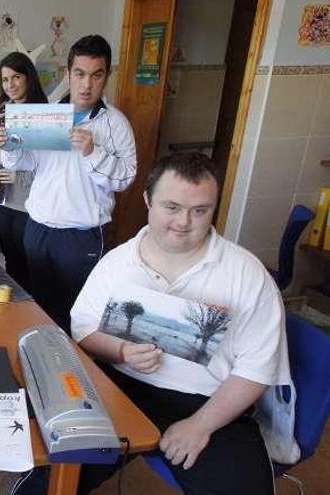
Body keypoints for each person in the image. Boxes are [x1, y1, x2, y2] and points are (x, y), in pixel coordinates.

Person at [68, 152, 290, 494]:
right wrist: (122, 350)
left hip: (210, 402)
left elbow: (257, 368)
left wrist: (200, 426)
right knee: (51, 475)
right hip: (122, 388)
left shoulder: (247, 274)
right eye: (171, 207)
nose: (184, 222)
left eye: (200, 210)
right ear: (148, 201)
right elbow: (83, 328)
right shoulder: (117, 262)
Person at [0, 35, 137, 330]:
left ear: (106, 76)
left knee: (77, 313)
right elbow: (28, 164)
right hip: (38, 228)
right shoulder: (46, 117)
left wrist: (92, 152)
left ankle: (74, 371)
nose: (87, 84)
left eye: (96, 75)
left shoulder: (116, 124)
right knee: (40, 307)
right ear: (68, 74)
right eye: (80, 74)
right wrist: (9, 148)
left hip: (81, 235)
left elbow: (125, 178)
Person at [0, 52, 52, 294]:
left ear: (29, 78)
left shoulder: (44, 115)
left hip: (28, 205)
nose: (11, 85)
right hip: (3, 201)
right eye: (5, 80)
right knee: (11, 262)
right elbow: (0, 153)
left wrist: (20, 176)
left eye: (16, 77)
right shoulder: (2, 111)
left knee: (30, 265)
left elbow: (48, 165)